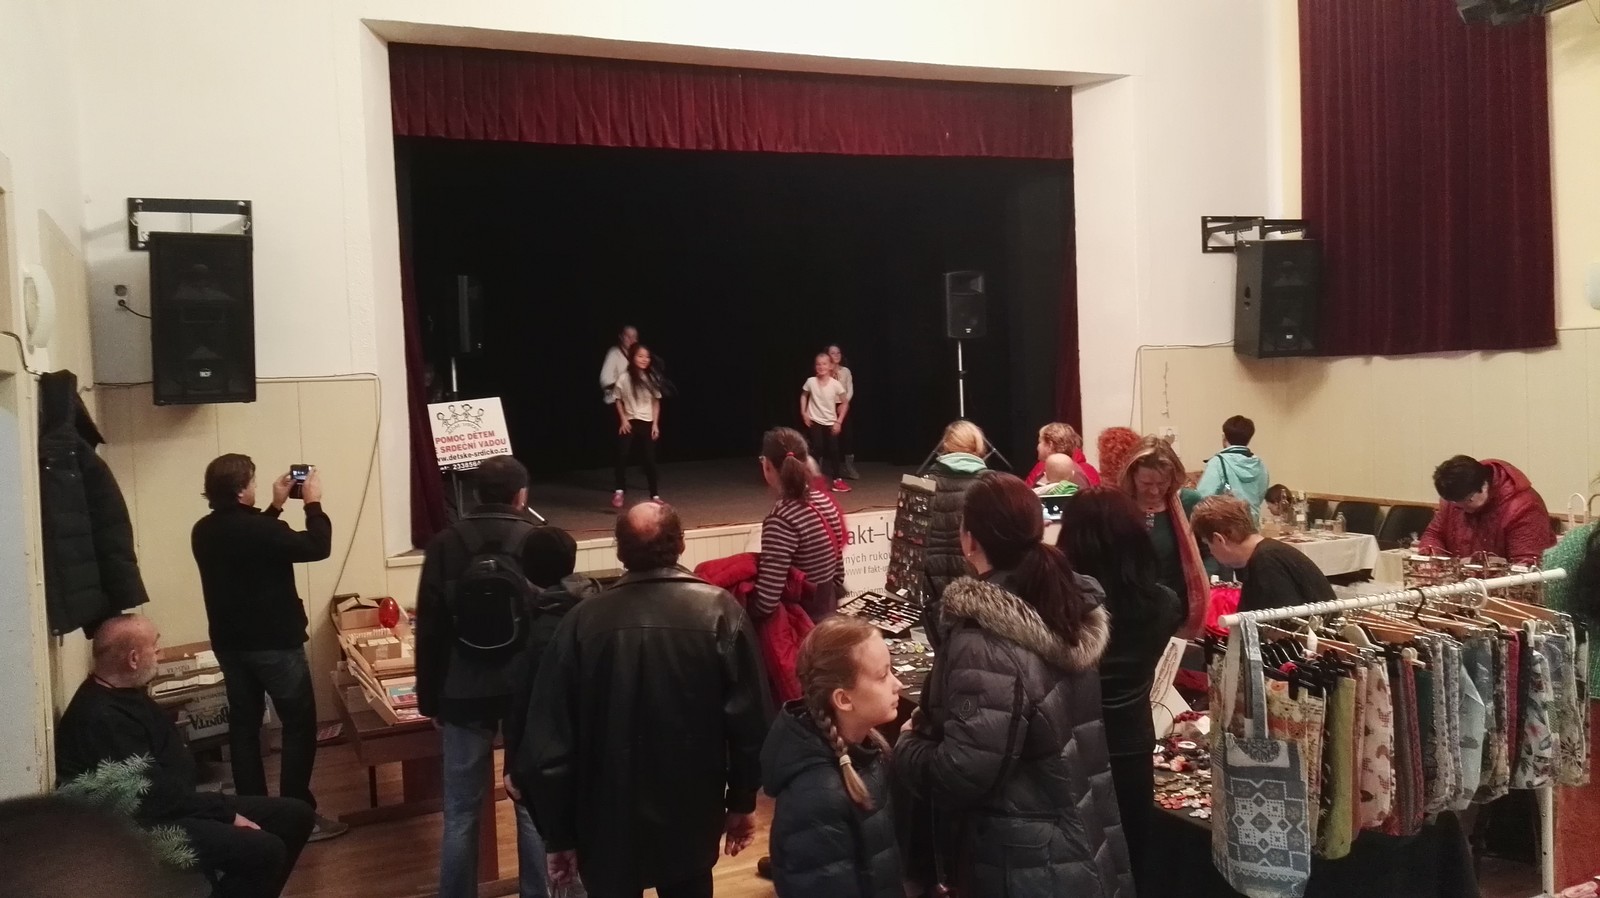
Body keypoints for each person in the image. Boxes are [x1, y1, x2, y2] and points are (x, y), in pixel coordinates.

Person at [895, 472, 1130, 898]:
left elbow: (963, 772)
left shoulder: (983, 642)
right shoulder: (1064, 603)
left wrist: (908, 745)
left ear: (969, 539)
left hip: (1023, 862)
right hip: (1074, 839)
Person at [519, 502, 769, 898]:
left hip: (605, 818)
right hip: (690, 814)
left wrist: (559, 834)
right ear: (681, 544)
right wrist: (741, 800)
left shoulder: (580, 623)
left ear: (620, 551)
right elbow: (750, 725)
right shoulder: (721, 612)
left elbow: (549, 746)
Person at [55, 614, 315, 898]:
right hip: (147, 828)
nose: (160, 653)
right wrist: (226, 814)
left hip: (173, 805)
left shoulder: (124, 692)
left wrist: (218, 809)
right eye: (155, 646)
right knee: (265, 850)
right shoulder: (101, 719)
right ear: (133, 659)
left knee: (296, 816)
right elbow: (151, 798)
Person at [416, 455, 577, 898]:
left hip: (462, 691)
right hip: (525, 693)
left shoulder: (445, 544)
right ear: (521, 495)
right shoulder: (538, 540)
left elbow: (429, 628)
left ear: (476, 493)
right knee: (529, 805)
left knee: (460, 812)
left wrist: (431, 700)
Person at [189, 454, 343, 840]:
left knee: (244, 728)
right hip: (275, 644)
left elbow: (252, 544)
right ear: (242, 490)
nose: (257, 488)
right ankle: (297, 814)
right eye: (253, 483)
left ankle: (253, 813)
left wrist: (275, 505)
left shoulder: (203, 530)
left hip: (229, 645)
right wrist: (312, 503)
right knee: (298, 725)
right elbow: (317, 546)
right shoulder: (262, 531)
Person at [1055, 488, 1186, 892]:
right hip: (1131, 745)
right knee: (1129, 858)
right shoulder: (1163, 604)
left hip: (1067, 743)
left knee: (1072, 862)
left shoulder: (1056, 609)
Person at [762, 616, 904, 898]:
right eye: (882, 675)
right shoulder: (817, 796)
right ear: (843, 699)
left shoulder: (864, 753)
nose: (897, 684)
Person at [1119, 435, 1211, 636]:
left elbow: (1210, 552)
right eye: (1146, 483)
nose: (1154, 491)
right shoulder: (1117, 505)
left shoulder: (1189, 502)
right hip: (1129, 614)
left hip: (1179, 614)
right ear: (1131, 476)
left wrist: (1207, 584)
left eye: (1162, 483)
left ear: (1174, 478)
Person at [753, 427, 846, 622]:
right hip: (828, 621)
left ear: (767, 466)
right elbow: (838, 576)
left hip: (801, 625)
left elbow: (766, 601)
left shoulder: (781, 519)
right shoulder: (825, 501)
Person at [1191, 495, 1335, 616]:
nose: (1210, 551)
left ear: (1219, 539)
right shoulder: (1265, 555)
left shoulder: (1267, 563)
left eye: (1207, 544)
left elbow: (1280, 629)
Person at [1419, 455, 1555, 564]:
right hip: (1463, 583)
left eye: (1468, 500)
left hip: (1504, 587)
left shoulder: (1524, 506)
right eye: (1455, 503)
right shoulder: (1455, 497)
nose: (1461, 508)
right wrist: (1436, 562)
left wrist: (1486, 567)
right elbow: (1433, 535)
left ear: (1484, 485)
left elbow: (1528, 563)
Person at [923, 420, 991, 612]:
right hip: (977, 581)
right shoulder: (992, 483)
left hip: (931, 582)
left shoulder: (924, 483)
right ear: (978, 444)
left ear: (946, 445)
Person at [612, 342, 664, 508]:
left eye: (647, 357)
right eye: (640, 356)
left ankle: (654, 494)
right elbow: (618, 399)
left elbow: (656, 402)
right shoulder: (624, 378)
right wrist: (623, 420)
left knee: (649, 459)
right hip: (629, 421)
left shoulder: (652, 378)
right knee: (622, 455)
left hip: (647, 421)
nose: (644, 359)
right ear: (632, 358)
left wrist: (655, 424)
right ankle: (619, 490)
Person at [1195, 414, 1270, 516]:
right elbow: (1260, 496)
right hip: (1252, 521)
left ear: (1224, 437)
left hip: (1227, 522)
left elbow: (1202, 498)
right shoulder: (1260, 465)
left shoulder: (1218, 462)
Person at [801, 352, 852, 492]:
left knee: (834, 450)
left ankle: (837, 480)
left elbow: (845, 403)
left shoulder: (836, 384)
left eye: (824, 364)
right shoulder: (811, 381)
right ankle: (812, 479)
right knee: (817, 448)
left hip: (830, 421)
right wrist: (804, 413)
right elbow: (804, 396)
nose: (821, 366)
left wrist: (839, 422)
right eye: (818, 364)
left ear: (830, 366)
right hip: (815, 420)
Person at [1026, 422, 1101, 489]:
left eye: (1040, 442)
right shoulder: (1077, 471)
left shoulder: (1071, 472)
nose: (1037, 447)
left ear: (1050, 445)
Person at [827, 344, 861, 480]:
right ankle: (830, 466)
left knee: (848, 436)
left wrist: (844, 404)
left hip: (843, 405)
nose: (836, 355)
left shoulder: (845, 371)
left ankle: (849, 466)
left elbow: (850, 389)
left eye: (838, 353)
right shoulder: (825, 370)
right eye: (833, 353)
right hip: (828, 406)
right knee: (831, 437)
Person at [598, 324, 638, 405]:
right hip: (615, 402)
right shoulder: (614, 353)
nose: (631, 339)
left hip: (634, 404)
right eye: (627, 336)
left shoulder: (639, 355)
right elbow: (605, 381)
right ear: (621, 337)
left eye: (634, 336)